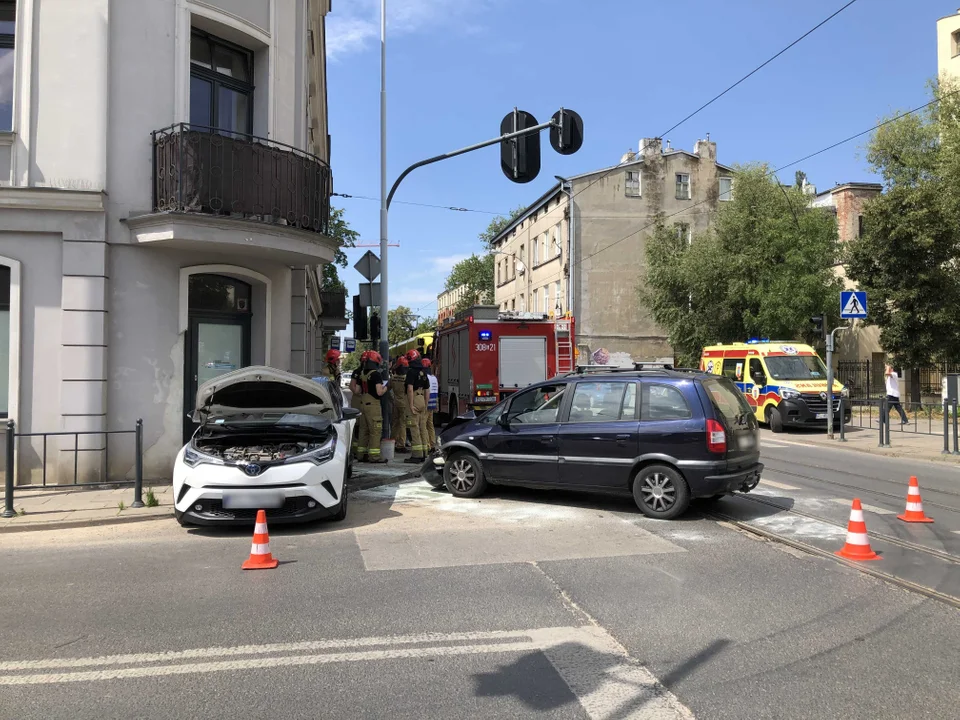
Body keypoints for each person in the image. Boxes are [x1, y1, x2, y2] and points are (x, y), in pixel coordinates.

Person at [354, 351, 388, 463]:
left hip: (363, 404)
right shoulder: (376, 374)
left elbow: (357, 390)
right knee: (375, 431)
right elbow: (379, 392)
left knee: (363, 430)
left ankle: (361, 455)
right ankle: (374, 456)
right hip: (373, 405)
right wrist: (386, 387)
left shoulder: (362, 373)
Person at [403, 349, 431, 464]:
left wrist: (411, 405)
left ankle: (416, 455)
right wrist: (425, 404)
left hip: (414, 399)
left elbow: (409, 389)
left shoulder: (411, 372)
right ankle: (424, 452)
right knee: (422, 427)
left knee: (414, 428)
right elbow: (427, 390)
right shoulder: (424, 372)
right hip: (422, 399)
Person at [390, 356, 410, 453]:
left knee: (395, 424)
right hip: (404, 403)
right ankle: (401, 444)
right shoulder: (407, 379)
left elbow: (386, 388)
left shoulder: (393, 378)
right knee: (403, 424)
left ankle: (392, 441)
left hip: (395, 402)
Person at [423, 358, 439, 453]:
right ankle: (432, 444)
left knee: (423, 425)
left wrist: (424, 404)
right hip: (433, 404)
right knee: (430, 425)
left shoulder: (426, 378)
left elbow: (426, 392)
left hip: (426, 403)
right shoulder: (434, 378)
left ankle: (427, 445)